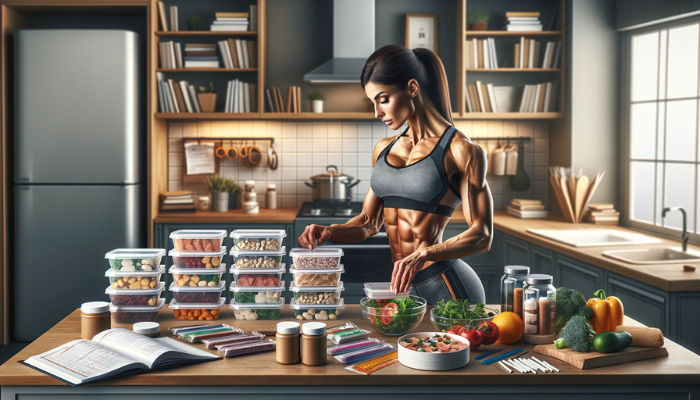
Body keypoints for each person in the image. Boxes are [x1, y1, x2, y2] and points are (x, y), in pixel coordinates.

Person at [298, 45, 493, 305]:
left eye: (383, 99)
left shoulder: (461, 150)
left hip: (448, 287)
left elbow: (482, 235)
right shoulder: (384, 148)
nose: (377, 112)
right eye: (372, 102)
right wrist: (330, 231)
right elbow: (368, 222)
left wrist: (423, 254)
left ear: (412, 88)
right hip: (404, 289)